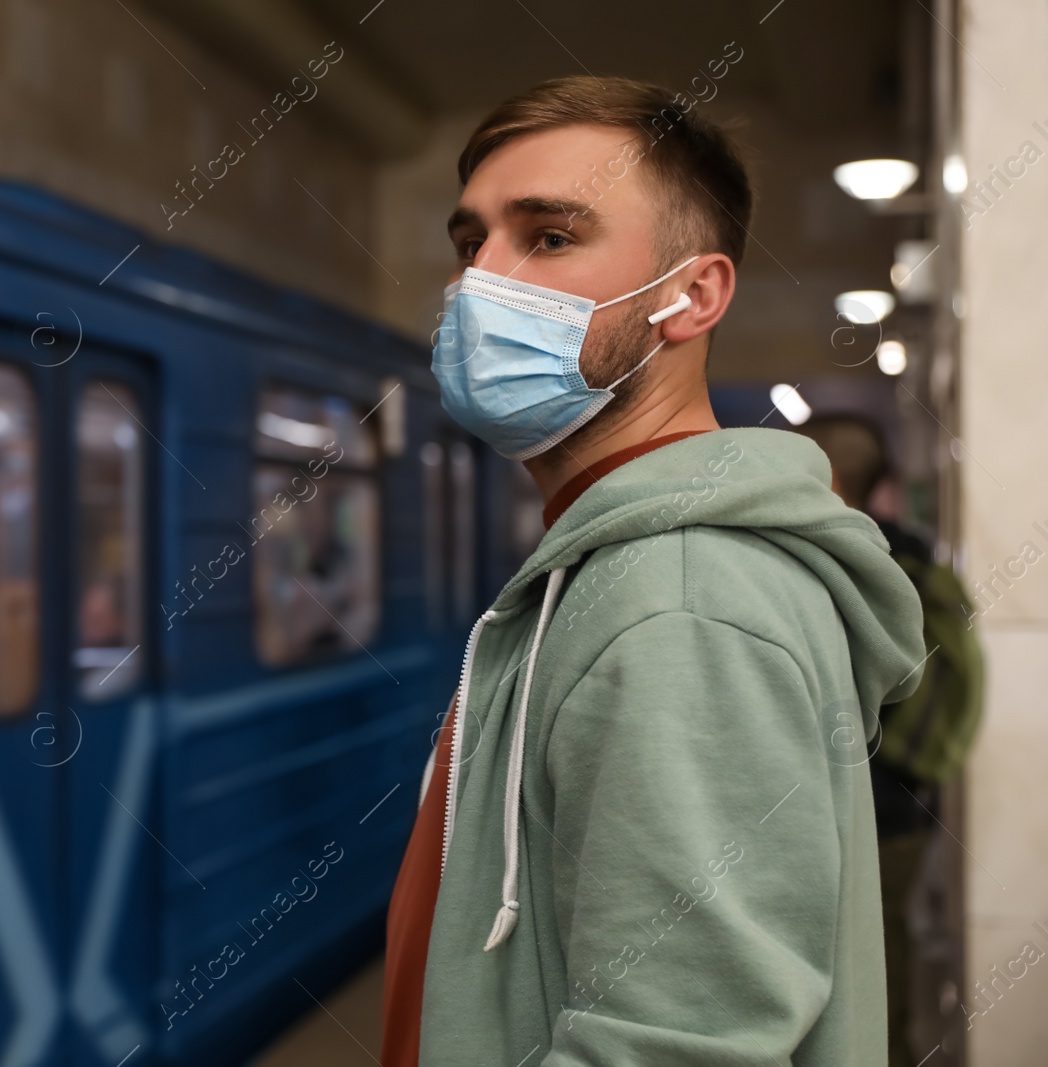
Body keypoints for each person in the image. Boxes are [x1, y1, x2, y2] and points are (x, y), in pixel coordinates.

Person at [382, 77, 927, 1066]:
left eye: (547, 237)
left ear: (694, 294)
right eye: (472, 243)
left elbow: (681, 1043)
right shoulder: (624, 565)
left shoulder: (677, 597)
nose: (479, 284)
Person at [802, 414, 985, 1067]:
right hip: (905, 801)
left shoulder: (835, 554)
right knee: (882, 948)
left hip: (851, 801)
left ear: (822, 473)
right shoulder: (913, 554)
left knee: (838, 960)